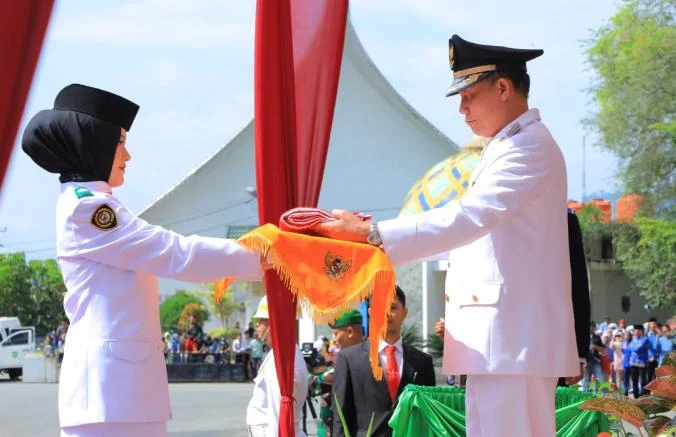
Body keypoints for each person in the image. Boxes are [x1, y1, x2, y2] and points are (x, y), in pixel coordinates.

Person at [314, 35, 578, 436]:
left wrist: (372, 233)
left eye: (469, 96)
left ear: (502, 88)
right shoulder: (508, 146)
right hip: (502, 346)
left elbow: (467, 218)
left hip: (511, 345)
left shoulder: (528, 148)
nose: (461, 109)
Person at [21, 83, 267, 437]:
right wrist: (265, 255)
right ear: (94, 144)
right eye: (120, 142)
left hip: (120, 393)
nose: (128, 155)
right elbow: (176, 254)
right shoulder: (88, 209)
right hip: (110, 395)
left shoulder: (93, 203)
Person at [332, 286, 435, 437]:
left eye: (393, 307)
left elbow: (429, 416)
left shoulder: (422, 362)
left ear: (404, 313)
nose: (386, 313)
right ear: (370, 313)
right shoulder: (349, 359)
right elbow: (340, 417)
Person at [245, 296, 309, 437]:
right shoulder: (283, 354)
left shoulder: (282, 360)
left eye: (261, 320)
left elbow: (278, 415)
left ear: (274, 322)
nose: (257, 325)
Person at [309, 309, 366, 437]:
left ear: (350, 332)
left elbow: (316, 383)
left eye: (336, 334)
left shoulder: (356, 360)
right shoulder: (368, 355)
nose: (334, 340)